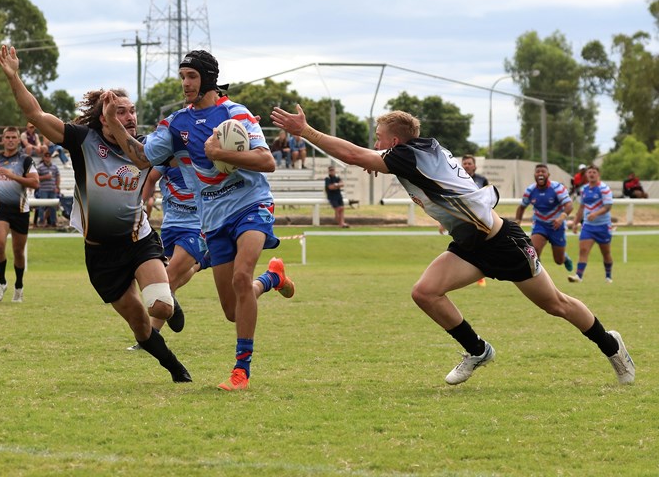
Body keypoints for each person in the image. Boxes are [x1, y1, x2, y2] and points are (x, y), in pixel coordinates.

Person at [271, 106, 635, 386]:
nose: (375, 143)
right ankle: (478, 350)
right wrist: (383, 162)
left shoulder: (407, 155)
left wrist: (305, 131)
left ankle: (611, 346)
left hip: (502, 242)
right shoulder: (417, 151)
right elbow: (382, 160)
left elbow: (354, 156)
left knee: (556, 304)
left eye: (379, 137)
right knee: (425, 292)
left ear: (395, 141)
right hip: (469, 245)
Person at [0, 44, 192, 383]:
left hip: (137, 241)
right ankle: (175, 368)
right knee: (140, 326)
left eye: (131, 111)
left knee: (160, 307)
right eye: (119, 111)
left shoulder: (147, 148)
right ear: (103, 118)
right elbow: (36, 114)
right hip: (100, 253)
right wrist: (15, 78)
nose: (129, 117)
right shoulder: (82, 140)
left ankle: (167, 297)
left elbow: (192, 148)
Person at [102, 49, 296, 391]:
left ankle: (241, 370)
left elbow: (267, 161)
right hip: (214, 218)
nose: (185, 84)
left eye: (190, 77)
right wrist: (115, 124)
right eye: (182, 78)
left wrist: (220, 153)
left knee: (239, 277)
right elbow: (142, 158)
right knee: (233, 310)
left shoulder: (236, 114)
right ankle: (272, 279)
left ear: (207, 77)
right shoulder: (176, 123)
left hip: (252, 204)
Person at [126, 162, 211, 351]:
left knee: (167, 277)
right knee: (170, 277)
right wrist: (140, 207)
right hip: (170, 225)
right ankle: (202, 263)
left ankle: (150, 337)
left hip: (197, 227)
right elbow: (151, 178)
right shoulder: (167, 152)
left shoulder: (201, 154)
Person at [0, 126, 40, 303]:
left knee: (18, 252)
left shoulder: (25, 160)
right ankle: (1, 282)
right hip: (1, 210)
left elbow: (35, 183)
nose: (11, 140)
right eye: (7, 137)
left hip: (20, 211)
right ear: (2, 139)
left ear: (18, 140)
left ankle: (19, 286)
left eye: (14, 137)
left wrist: (14, 177)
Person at [515, 163, 574, 274]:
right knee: (533, 249)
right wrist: (517, 222)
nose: (540, 174)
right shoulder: (530, 190)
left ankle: (565, 258)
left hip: (556, 225)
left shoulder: (557, 188)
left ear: (548, 174)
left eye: (543, 172)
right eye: (538, 172)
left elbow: (569, 205)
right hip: (540, 224)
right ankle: (540, 274)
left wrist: (561, 218)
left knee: (558, 260)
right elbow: (521, 207)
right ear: (534, 175)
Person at [569, 165, 615, 284]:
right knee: (583, 250)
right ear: (586, 175)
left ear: (598, 174)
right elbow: (582, 207)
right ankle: (578, 276)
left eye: (594, 172)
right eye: (589, 172)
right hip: (588, 226)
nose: (591, 174)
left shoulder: (604, 188)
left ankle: (608, 276)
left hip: (603, 225)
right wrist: (575, 223)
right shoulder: (584, 189)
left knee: (606, 253)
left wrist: (595, 214)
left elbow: (608, 206)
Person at [460, 155, 488, 286]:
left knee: (480, 245)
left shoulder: (482, 180)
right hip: (463, 219)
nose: (466, 165)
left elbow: (489, 199)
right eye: (464, 163)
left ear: (475, 166)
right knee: (465, 246)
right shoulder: (456, 179)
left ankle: (480, 275)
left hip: (481, 219)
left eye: (469, 163)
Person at [34, 150, 60, 228]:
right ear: (44, 157)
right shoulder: (40, 167)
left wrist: (57, 186)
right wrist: (45, 177)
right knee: (42, 206)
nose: (48, 158)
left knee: (53, 207)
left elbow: (58, 177)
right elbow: (36, 177)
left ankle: (53, 222)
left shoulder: (54, 167)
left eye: (49, 156)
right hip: (43, 189)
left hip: (52, 189)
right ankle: (41, 221)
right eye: (46, 156)